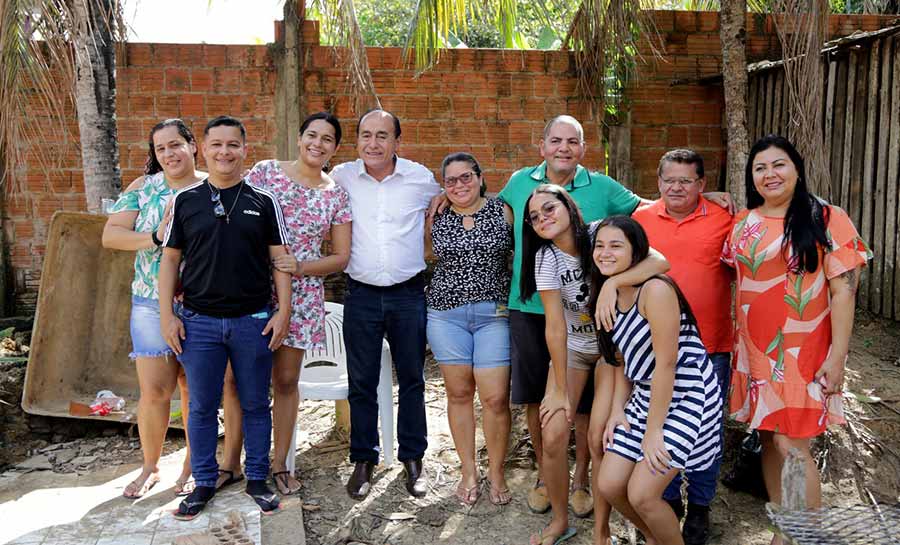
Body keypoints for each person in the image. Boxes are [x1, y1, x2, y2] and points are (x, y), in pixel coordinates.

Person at [722, 135, 871, 545]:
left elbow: (844, 290)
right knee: (770, 436)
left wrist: (837, 357)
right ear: (751, 177)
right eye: (760, 168)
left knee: (793, 445)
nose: (770, 174)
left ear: (797, 169)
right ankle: (784, 531)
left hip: (802, 354)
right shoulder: (742, 222)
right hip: (754, 353)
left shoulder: (825, 216)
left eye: (779, 165)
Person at [159, 115, 292, 519]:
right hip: (197, 322)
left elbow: (279, 261)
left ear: (244, 150)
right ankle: (203, 482)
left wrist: (283, 311)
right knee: (200, 406)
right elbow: (169, 262)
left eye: (232, 144)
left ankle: (256, 478)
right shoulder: (185, 201)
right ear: (203, 148)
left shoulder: (264, 201)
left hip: (253, 321)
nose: (224, 152)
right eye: (216, 144)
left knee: (254, 402)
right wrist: (168, 315)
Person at [520, 185, 668, 545]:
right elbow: (555, 326)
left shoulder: (599, 233)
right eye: (535, 217)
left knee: (599, 436)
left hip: (609, 352)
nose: (543, 218)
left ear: (569, 206)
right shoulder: (545, 258)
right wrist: (557, 390)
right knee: (553, 431)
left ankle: (601, 532)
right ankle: (560, 521)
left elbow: (659, 261)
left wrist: (613, 282)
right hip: (572, 348)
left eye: (549, 208)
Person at [231, 111, 352, 496]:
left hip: (302, 297)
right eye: (311, 135)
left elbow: (341, 257)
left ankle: (280, 462)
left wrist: (299, 266)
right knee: (237, 381)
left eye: (327, 139)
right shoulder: (266, 173)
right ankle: (230, 463)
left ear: (335, 148)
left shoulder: (336, 193)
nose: (318, 144)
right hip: (249, 288)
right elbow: (235, 217)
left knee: (285, 381)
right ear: (299, 139)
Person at [330, 109, 441, 500]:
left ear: (397, 141)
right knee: (361, 382)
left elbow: (444, 203)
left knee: (411, 378)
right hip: (359, 294)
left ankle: (413, 458)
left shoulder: (419, 178)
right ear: (356, 140)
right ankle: (364, 459)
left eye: (382, 136)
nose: (373, 144)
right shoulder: (341, 177)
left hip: (408, 294)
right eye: (365, 135)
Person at [593, 215, 723, 545]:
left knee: (643, 494)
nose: (605, 253)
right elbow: (622, 362)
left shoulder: (655, 290)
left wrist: (654, 431)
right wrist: (617, 410)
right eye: (599, 246)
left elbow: (666, 364)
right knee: (610, 485)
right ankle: (656, 538)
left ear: (637, 251)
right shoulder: (608, 294)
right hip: (647, 394)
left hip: (688, 393)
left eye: (616, 246)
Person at [632, 149, 734, 545]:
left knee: (706, 433)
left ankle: (701, 507)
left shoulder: (725, 220)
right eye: (669, 180)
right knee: (657, 425)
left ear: (702, 185)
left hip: (710, 348)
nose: (676, 187)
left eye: (686, 181)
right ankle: (669, 500)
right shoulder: (640, 221)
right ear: (657, 183)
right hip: (652, 349)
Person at [102, 118, 204, 499]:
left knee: (195, 390)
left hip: (202, 306)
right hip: (149, 301)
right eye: (161, 149)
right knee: (155, 391)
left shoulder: (214, 186)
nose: (169, 154)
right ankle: (150, 466)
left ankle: (195, 465)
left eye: (176, 144)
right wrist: (156, 236)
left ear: (193, 145)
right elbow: (111, 236)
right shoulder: (143, 189)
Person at [425, 152, 513, 506]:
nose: (459, 185)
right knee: (459, 394)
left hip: (495, 314)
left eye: (466, 177)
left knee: (494, 398)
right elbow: (423, 254)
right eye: (451, 180)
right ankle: (468, 470)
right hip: (446, 315)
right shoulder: (435, 214)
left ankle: (496, 470)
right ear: (443, 186)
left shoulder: (502, 211)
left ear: (480, 177)